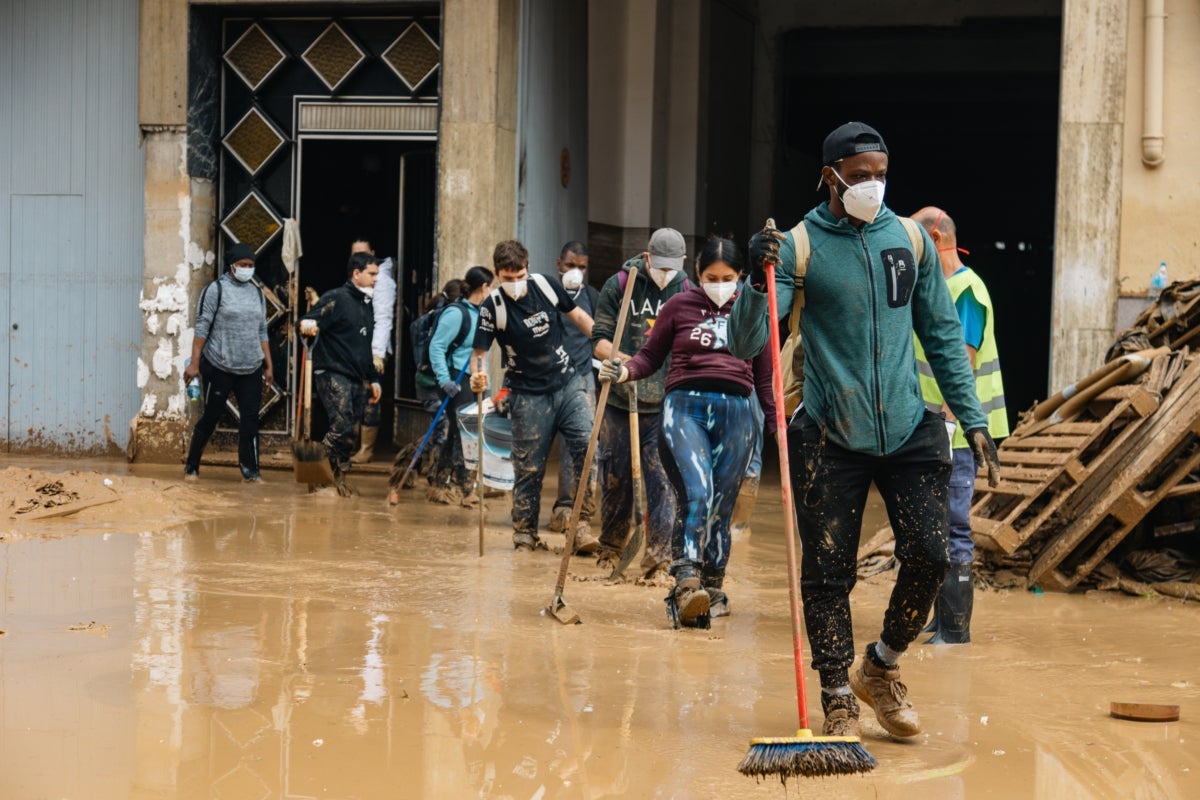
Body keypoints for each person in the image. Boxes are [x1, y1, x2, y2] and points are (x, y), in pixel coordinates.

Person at [730, 121, 1001, 740]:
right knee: (828, 572)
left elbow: (939, 333)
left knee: (932, 555)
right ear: (829, 176)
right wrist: (753, 279)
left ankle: (879, 667)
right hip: (829, 429)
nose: (872, 186)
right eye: (859, 177)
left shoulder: (909, 238)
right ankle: (835, 693)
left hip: (910, 424)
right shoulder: (800, 246)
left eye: (881, 174)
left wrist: (976, 419)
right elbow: (751, 342)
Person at [599, 236, 776, 628]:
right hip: (684, 408)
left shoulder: (753, 308)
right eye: (711, 277)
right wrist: (624, 370)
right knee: (697, 493)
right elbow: (650, 356)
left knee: (721, 508)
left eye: (728, 277)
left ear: (740, 276)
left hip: (737, 414)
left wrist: (779, 424)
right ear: (697, 274)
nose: (719, 283)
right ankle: (685, 583)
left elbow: (765, 379)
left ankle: (712, 588)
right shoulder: (678, 305)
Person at [912, 206, 1009, 644]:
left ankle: (955, 629)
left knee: (953, 523)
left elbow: (962, 367)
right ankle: (941, 620)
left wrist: (952, 427)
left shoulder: (966, 290)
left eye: (915, 242)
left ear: (933, 240)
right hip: (938, 427)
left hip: (959, 432)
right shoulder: (938, 288)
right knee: (936, 525)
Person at [468, 240, 598, 553]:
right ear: (497, 275)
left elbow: (578, 317)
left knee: (587, 448)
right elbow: (479, 353)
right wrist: (477, 375)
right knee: (529, 469)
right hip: (527, 394)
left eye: (520, 275)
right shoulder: (492, 308)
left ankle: (579, 527)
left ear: (528, 267)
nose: (515, 284)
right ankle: (525, 536)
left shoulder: (546, 286)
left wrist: (606, 342)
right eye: (507, 278)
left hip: (568, 383)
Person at [590, 228, 692, 581]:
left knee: (662, 482)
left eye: (672, 268)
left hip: (665, 402)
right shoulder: (620, 284)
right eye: (658, 267)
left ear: (682, 262)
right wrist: (623, 363)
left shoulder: (687, 291)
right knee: (616, 477)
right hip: (621, 397)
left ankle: (658, 560)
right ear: (647, 258)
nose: (665, 275)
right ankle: (611, 548)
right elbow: (599, 339)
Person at [183, 243, 274, 481]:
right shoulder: (216, 290)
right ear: (232, 265)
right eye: (243, 265)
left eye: (251, 266)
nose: (247, 269)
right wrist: (194, 364)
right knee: (210, 417)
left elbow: (262, 329)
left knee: (251, 422)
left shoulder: (257, 293)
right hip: (219, 367)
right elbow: (202, 327)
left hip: (251, 367)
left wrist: (269, 364)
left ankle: (251, 473)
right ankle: (192, 466)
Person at [299, 252, 381, 495]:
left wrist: (374, 378)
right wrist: (307, 326)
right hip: (332, 371)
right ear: (357, 273)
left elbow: (365, 347)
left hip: (357, 375)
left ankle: (338, 480)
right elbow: (306, 322)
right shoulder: (336, 298)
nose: (376, 279)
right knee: (341, 424)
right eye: (372, 274)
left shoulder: (366, 306)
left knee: (350, 433)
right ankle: (315, 470)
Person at [426, 266, 495, 507]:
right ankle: (463, 490)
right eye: (492, 286)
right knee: (468, 435)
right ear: (484, 287)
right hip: (458, 379)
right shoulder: (457, 314)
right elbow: (436, 346)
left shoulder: (484, 314)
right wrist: (444, 380)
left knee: (461, 433)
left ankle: (441, 482)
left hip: (478, 380)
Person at [548, 241, 600, 533]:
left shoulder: (591, 296)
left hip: (581, 380)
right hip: (546, 381)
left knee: (579, 445)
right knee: (539, 446)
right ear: (559, 264)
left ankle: (571, 509)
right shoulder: (543, 293)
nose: (575, 272)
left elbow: (600, 335)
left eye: (582, 267)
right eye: (570, 265)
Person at [349, 238, 396, 464]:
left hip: (372, 351)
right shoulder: (356, 280)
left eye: (363, 254)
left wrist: (376, 353)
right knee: (356, 397)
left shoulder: (382, 281)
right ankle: (355, 445)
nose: (359, 258)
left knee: (370, 398)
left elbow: (383, 319)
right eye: (355, 254)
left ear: (373, 254)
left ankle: (366, 449)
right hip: (357, 349)